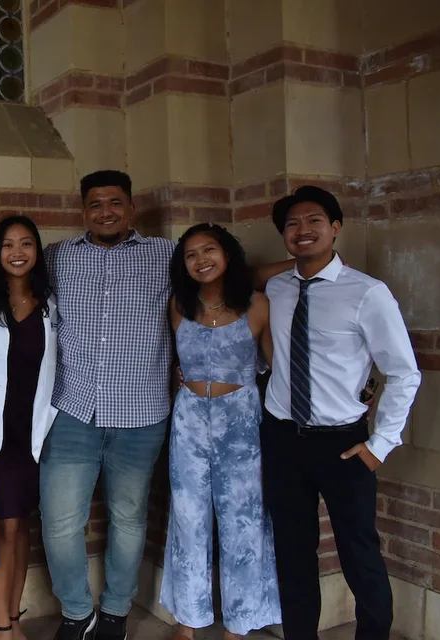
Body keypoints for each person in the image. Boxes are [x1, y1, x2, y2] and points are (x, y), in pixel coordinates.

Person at [41, 170, 292, 640]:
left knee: (130, 516)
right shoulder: (58, 257)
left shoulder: (164, 256)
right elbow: (14, 281)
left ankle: (116, 611)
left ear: (131, 208)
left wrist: (309, 261)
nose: (105, 212)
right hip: (73, 407)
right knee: (58, 521)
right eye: (95, 204)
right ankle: (77, 613)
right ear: (83, 210)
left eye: (115, 202)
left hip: (142, 412)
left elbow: (235, 276)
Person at [262, 186, 421, 640]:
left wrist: (379, 446)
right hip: (282, 438)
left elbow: (403, 372)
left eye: (314, 221)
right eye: (292, 224)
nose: (302, 230)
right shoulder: (277, 288)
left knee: (359, 552)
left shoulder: (367, 293)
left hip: (344, 444)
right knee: (293, 553)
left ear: (335, 229)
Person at [160, 223, 282, 640]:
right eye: (191, 254)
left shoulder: (258, 304)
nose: (201, 260)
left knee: (242, 521)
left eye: (209, 250)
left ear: (228, 254)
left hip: (241, 420)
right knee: (189, 519)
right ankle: (188, 622)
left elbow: (278, 371)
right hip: (189, 418)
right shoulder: (179, 304)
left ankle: (239, 624)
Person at [0, 216, 58, 639]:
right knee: (3, 526)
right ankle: (0, 625)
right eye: (8, 244)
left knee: (21, 524)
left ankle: (14, 618)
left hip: (33, 432)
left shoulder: (51, 304)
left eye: (26, 243)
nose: (17, 252)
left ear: (37, 251)